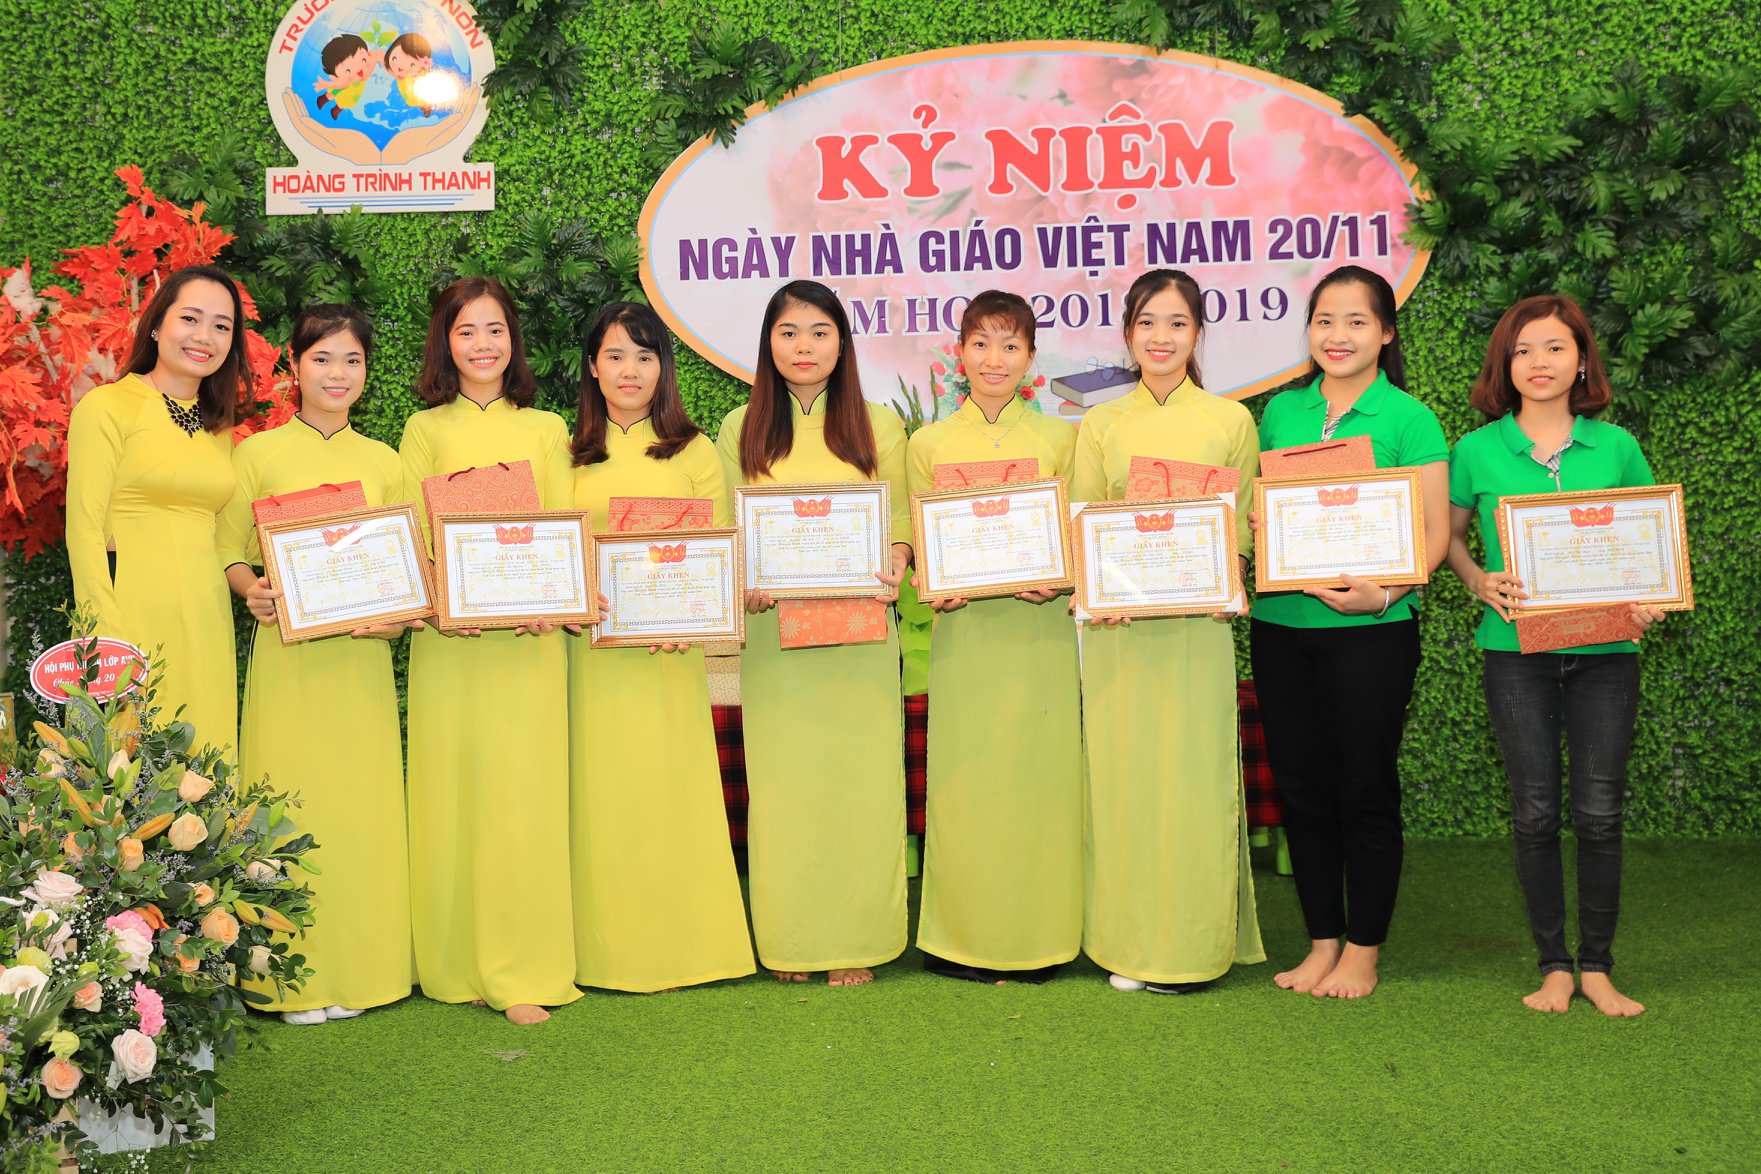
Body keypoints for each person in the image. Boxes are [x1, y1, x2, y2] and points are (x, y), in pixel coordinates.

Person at [1446, 294, 1662, 1018]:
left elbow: (1650, 541)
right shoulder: (1475, 450)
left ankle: (1597, 966)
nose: (1538, 362)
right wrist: (1478, 580)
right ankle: (1554, 967)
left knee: (1599, 814)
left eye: (1554, 347)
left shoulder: (1617, 447)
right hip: (1514, 652)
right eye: (1522, 350)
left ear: (1581, 361)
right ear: (1504, 366)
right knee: (1535, 813)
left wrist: (1651, 597)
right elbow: (1449, 537)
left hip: (1607, 652)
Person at [1250, 265, 1451, 999]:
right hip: (1281, 625)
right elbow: (1267, 509)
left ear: (1386, 333)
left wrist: (1384, 594)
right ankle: (1321, 942)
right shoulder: (1281, 412)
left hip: (1374, 632)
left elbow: (1433, 534)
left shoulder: (1409, 419)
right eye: (1324, 320)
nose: (1337, 336)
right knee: (1301, 789)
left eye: (1356, 321)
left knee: (1363, 787)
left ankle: (1363, 950)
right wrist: (1260, 520)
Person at [216, 304, 414, 1024]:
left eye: (351, 360)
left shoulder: (384, 460)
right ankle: (288, 980)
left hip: (360, 665)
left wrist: (397, 616)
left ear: (367, 372)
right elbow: (228, 550)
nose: (337, 373)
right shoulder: (257, 455)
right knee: (286, 805)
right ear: (294, 367)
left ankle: (364, 970)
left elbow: (408, 566)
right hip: (288, 663)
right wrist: (252, 591)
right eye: (322, 358)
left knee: (360, 810)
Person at [713, 279, 911, 988]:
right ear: (768, 342)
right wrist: (742, 578)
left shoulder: (879, 425)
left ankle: (854, 937)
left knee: (858, 785)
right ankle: (791, 939)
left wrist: (896, 558)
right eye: (789, 332)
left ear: (842, 342)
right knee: (785, 790)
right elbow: (727, 529)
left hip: (860, 638)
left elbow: (900, 523)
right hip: (776, 641)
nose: (804, 346)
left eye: (820, 332)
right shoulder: (740, 427)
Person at [1072, 268, 1264, 993]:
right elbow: (1085, 518)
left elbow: (1242, 525)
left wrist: (1231, 574)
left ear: (1197, 333)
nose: (1161, 337)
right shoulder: (1101, 423)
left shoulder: (1229, 420)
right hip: (1121, 630)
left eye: (1177, 323)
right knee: (1126, 783)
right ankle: (1129, 945)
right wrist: (1097, 588)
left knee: (1192, 780)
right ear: (1128, 333)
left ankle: (1190, 950)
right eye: (1147, 322)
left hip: (1197, 629)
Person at [397, 277, 580, 1025]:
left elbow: (564, 524)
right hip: (454, 643)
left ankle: (523, 966)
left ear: (514, 340)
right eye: (466, 330)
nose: (482, 344)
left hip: (530, 642)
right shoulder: (422, 430)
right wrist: (442, 599)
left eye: (495, 329)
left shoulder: (546, 427)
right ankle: (454, 963)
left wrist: (554, 597)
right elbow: (411, 532)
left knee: (522, 801)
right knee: (456, 795)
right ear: (445, 342)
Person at [567, 302, 754, 993]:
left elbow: (718, 554)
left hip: (672, 655)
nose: (630, 371)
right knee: (601, 797)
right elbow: (551, 548)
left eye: (644, 356)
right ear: (592, 367)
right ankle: (599, 951)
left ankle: (685, 949)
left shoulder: (695, 451)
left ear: (662, 368)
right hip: (591, 657)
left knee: (669, 794)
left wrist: (695, 614)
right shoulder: (565, 451)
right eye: (615, 355)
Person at [905, 291, 1080, 984]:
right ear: (959, 353)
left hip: (1039, 635)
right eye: (980, 343)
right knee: (966, 782)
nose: (994, 359)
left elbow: (1077, 534)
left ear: (1031, 357)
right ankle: (960, 938)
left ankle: (1041, 937)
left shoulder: (1060, 438)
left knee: (1038, 781)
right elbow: (919, 540)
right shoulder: (929, 444)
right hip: (966, 635)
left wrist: (1062, 578)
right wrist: (931, 577)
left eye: (1010, 345)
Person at [66, 264, 245, 755]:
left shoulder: (219, 430)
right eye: (190, 318)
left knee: (206, 773)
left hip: (207, 620)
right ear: (156, 324)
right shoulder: (107, 407)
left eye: (221, 326)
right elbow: (83, 530)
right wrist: (105, 641)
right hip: (131, 616)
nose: (204, 336)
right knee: (129, 777)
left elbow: (223, 536)